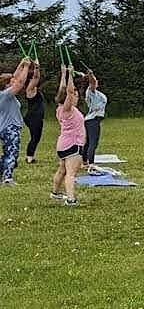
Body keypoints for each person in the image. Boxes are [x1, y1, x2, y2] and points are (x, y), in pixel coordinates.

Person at [51, 62, 85, 205]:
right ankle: (71, 200)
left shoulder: (59, 108)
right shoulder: (67, 109)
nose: (76, 97)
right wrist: (71, 74)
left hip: (63, 144)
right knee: (71, 173)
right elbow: (69, 92)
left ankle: (55, 193)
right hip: (72, 144)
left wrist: (64, 73)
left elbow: (63, 90)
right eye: (75, 95)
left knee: (62, 170)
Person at [1, 57, 32, 184]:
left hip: (6, 127)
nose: (14, 82)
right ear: (7, 84)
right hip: (10, 128)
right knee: (12, 153)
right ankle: (7, 178)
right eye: (11, 82)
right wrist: (26, 67)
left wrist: (22, 63)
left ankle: (3, 173)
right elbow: (19, 82)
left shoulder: (4, 94)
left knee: (8, 152)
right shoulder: (6, 95)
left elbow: (15, 76)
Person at [82, 68, 106, 170]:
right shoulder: (91, 92)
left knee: (88, 142)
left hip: (91, 120)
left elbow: (94, 82)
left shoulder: (96, 93)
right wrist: (91, 75)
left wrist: (91, 76)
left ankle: (84, 161)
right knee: (93, 142)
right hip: (93, 120)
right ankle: (90, 163)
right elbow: (93, 82)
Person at [24, 59, 44, 164]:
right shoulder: (30, 89)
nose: (35, 80)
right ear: (30, 79)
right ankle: (29, 157)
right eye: (33, 78)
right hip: (33, 117)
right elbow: (36, 77)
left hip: (35, 117)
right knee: (35, 137)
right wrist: (36, 67)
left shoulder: (33, 88)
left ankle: (30, 156)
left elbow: (36, 78)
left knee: (36, 137)